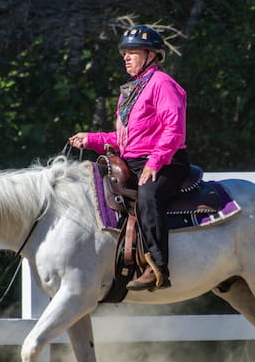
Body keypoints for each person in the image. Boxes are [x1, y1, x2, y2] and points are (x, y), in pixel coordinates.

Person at [69, 25, 189, 291]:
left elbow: (174, 128)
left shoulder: (162, 84)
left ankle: (158, 268)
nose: (126, 57)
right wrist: (91, 139)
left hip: (168, 161)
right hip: (136, 159)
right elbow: (126, 140)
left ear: (151, 55)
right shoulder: (132, 91)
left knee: (149, 196)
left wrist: (155, 162)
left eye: (132, 52)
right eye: (124, 52)